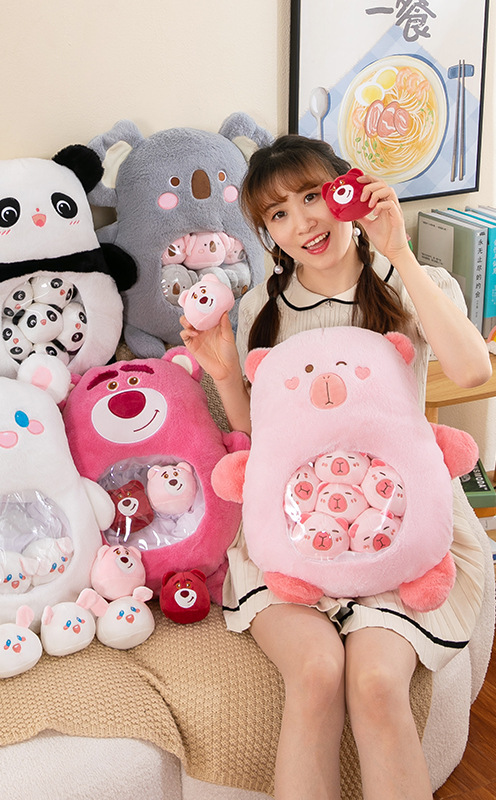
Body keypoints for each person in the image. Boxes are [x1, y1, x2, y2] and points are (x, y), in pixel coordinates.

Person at [180, 134, 491, 800]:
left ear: (347, 191)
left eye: (312, 196)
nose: (302, 222)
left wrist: (399, 249)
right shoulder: (262, 311)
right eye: (278, 214)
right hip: (296, 528)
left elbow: (472, 370)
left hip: (401, 525)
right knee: (317, 670)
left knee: (376, 682)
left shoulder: (410, 283)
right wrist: (225, 375)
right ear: (267, 233)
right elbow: (266, 441)